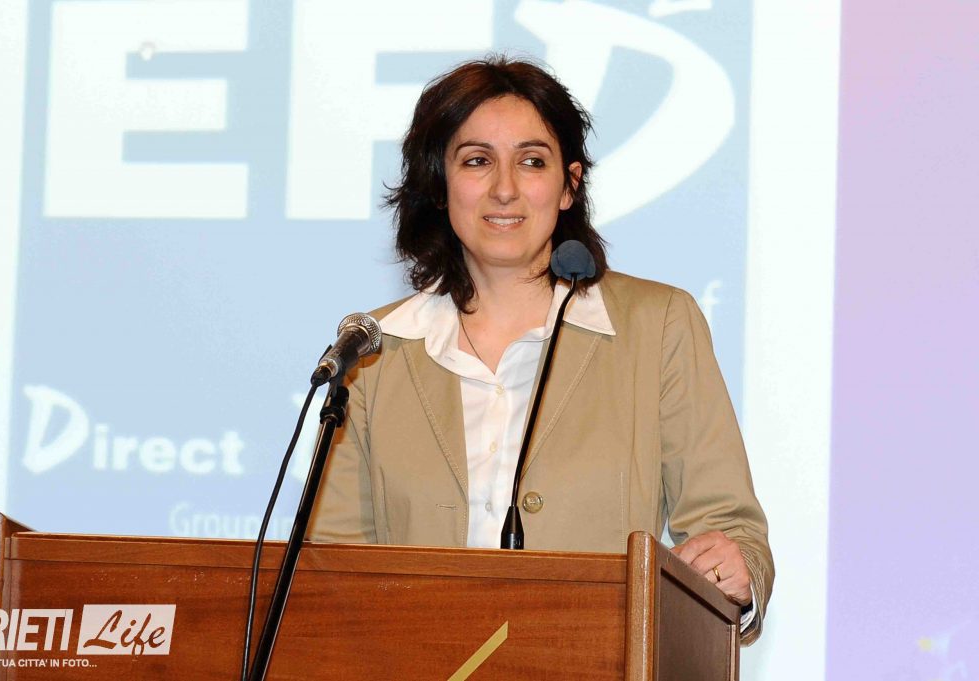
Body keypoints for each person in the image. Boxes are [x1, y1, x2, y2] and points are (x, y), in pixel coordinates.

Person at [308, 56, 773, 643]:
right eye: (477, 161)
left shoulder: (657, 325)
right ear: (439, 185)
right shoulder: (374, 348)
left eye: (532, 161)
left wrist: (737, 571)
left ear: (568, 185)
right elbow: (330, 567)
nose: (504, 189)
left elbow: (731, 530)